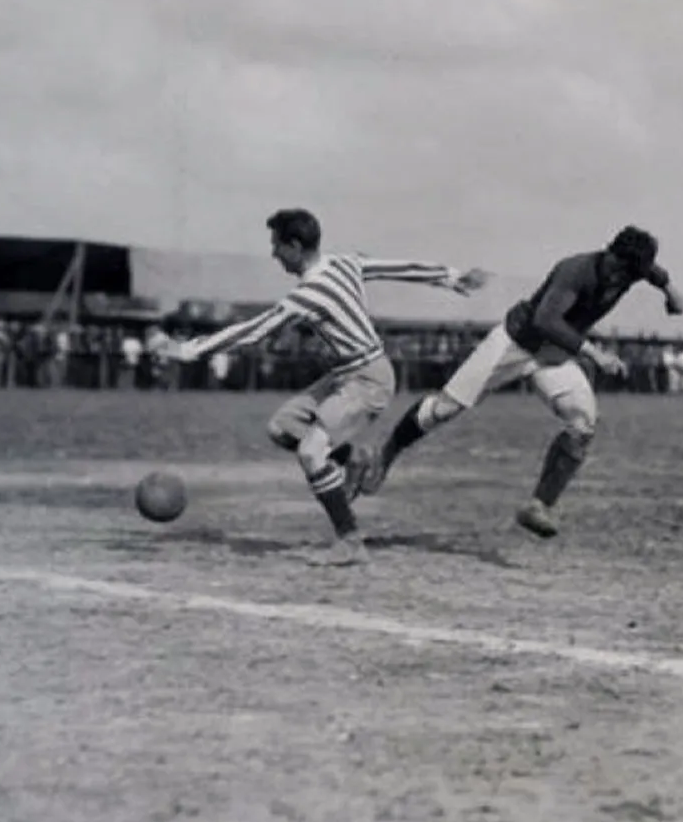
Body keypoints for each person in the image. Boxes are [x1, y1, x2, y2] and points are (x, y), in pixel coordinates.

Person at [165, 209, 486, 565]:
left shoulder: (308, 295)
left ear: (295, 245)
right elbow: (399, 267)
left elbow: (255, 329)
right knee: (282, 428)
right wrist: (451, 276)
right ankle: (356, 458)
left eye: (277, 246)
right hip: (343, 375)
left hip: (368, 379)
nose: (273, 254)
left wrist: (187, 349)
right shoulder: (344, 263)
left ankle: (349, 541)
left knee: (311, 452)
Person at [355, 226, 683, 537]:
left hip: (553, 357)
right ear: (610, 253)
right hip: (515, 343)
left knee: (583, 421)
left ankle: (539, 505)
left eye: (633, 274)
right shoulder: (576, 270)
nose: (623, 278)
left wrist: (672, 295)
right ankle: (386, 455)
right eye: (622, 269)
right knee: (445, 408)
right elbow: (545, 319)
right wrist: (594, 353)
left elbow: (658, 276)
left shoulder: (634, 270)